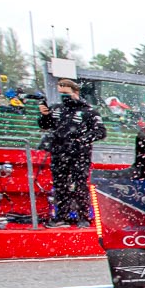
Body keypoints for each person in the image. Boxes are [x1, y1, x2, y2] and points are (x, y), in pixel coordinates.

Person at [37, 79, 106, 227]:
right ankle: (62, 217)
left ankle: (83, 217)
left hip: (79, 154)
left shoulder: (88, 111)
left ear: (75, 92)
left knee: (79, 184)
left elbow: (101, 132)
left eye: (66, 93)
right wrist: (44, 115)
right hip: (58, 153)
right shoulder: (56, 109)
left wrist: (81, 140)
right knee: (60, 185)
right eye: (61, 93)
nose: (64, 96)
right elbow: (45, 125)